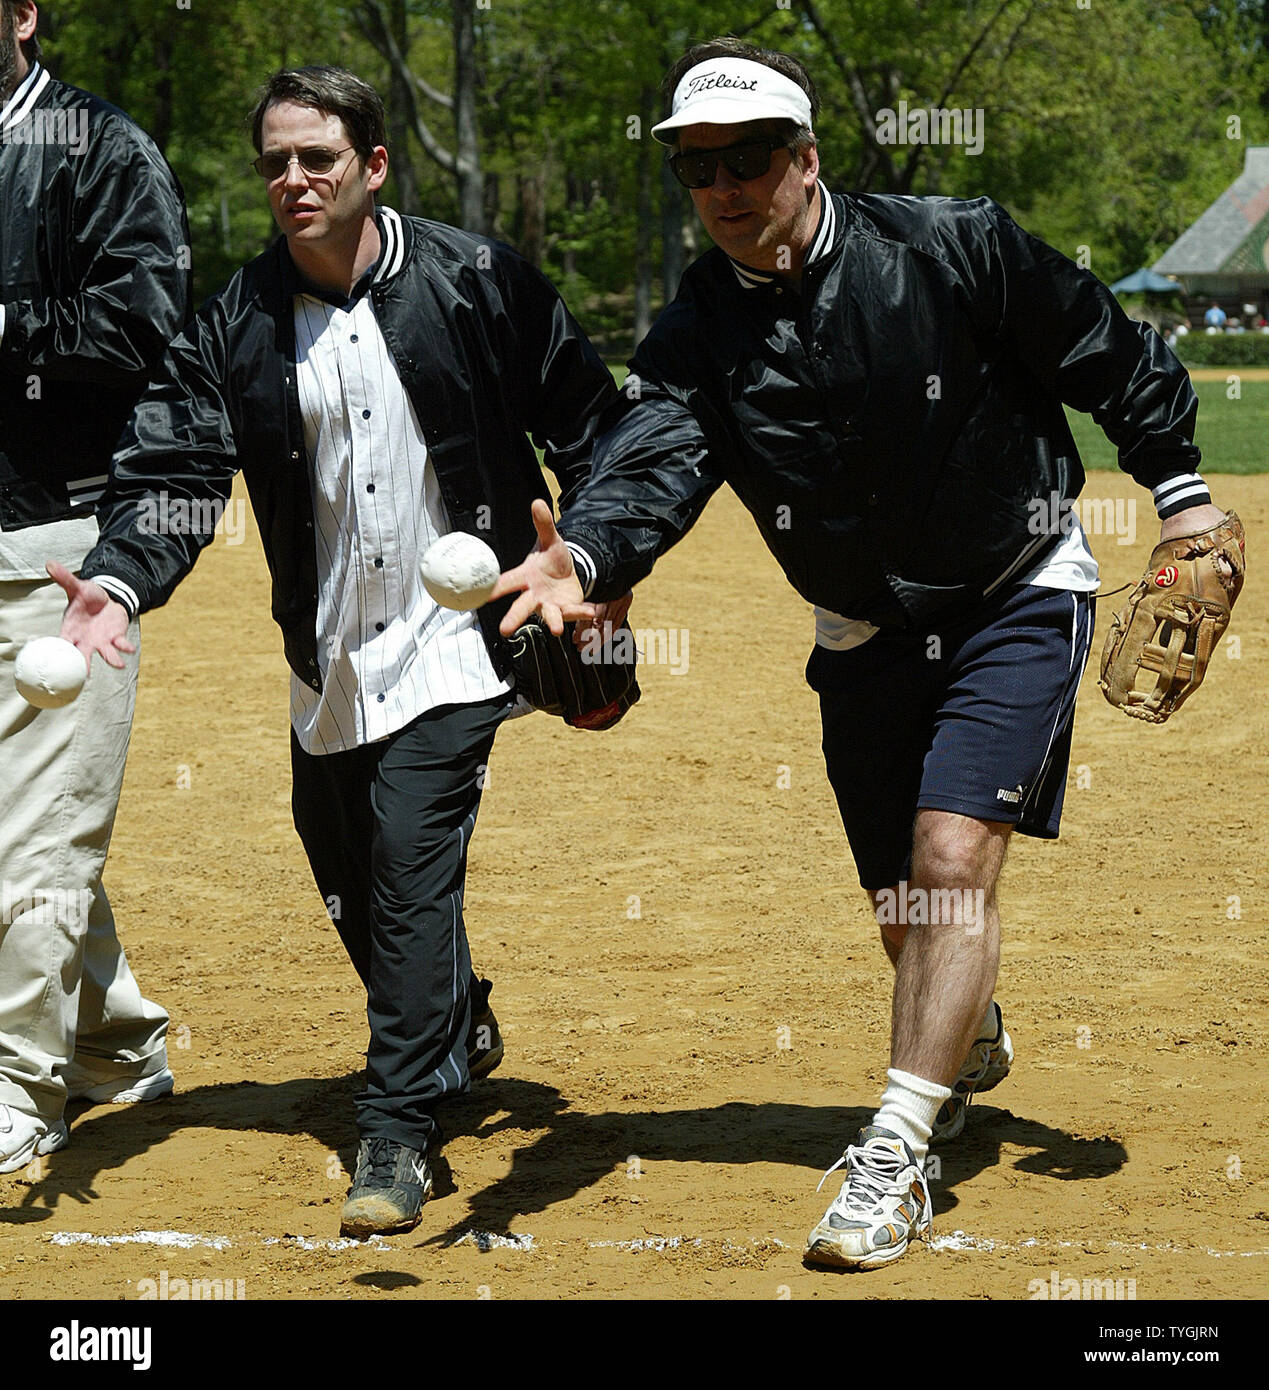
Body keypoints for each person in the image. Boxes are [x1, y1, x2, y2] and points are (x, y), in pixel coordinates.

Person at [494, 37, 1231, 1271]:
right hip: (863, 632)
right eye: (695, 169)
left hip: (1014, 582)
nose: (723, 189)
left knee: (952, 858)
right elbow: (654, 463)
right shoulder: (695, 337)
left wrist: (1185, 493)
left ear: (806, 158)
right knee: (907, 908)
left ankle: (895, 1151)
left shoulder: (953, 244)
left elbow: (1105, 343)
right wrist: (591, 558)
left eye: (747, 160)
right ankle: (961, 1016)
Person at [56, 66, 620, 1237]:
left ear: (372, 165)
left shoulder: (475, 280)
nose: (292, 180)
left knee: (413, 863)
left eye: (317, 158)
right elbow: (173, 464)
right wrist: (119, 578)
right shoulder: (239, 317)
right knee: (343, 857)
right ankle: (453, 1021)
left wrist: (601, 560)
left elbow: (596, 420)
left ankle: (399, 1132)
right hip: (332, 656)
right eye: (275, 161)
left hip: (462, 646)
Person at [0, 0, 188, 1174]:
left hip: (57, 551)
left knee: (33, 850)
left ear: (20, 13)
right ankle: (115, 1040)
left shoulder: (97, 147)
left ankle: (18, 1089)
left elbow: (147, 321)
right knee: (29, 830)